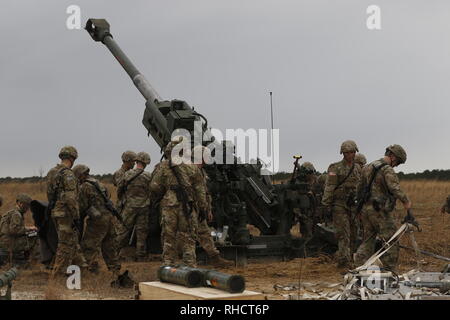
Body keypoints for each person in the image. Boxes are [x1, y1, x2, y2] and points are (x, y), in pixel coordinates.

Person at [150, 139, 209, 267]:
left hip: (168, 205)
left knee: (168, 236)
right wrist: (203, 209)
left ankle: (168, 265)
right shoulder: (192, 167)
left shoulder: (163, 166)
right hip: (188, 206)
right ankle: (189, 267)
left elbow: (154, 187)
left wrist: (164, 194)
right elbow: (200, 191)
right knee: (188, 237)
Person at [354, 144, 411, 272]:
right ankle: (388, 272)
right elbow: (395, 188)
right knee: (391, 241)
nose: (396, 165)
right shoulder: (387, 169)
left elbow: (359, 189)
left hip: (366, 210)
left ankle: (359, 268)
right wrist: (406, 201)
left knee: (368, 240)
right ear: (393, 156)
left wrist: (358, 209)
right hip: (380, 212)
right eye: (398, 162)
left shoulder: (368, 166)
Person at [73, 164, 121, 276]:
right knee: (109, 246)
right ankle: (115, 270)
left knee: (88, 245)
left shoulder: (84, 186)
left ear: (79, 175)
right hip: (109, 218)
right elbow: (108, 197)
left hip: (98, 220)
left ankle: (83, 272)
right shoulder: (99, 183)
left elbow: (82, 206)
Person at [46, 146, 87, 275]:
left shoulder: (51, 172)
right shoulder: (69, 174)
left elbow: (49, 194)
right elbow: (71, 198)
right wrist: (76, 216)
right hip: (66, 213)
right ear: (72, 158)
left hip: (56, 212)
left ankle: (82, 268)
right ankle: (58, 274)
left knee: (72, 241)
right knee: (65, 244)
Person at [322, 140, 362, 268]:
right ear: (343, 153)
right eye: (347, 152)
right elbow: (330, 186)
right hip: (339, 205)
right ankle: (344, 261)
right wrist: (326, 204)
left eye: (352, 152)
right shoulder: (335, 168)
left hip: (353, 205)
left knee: (354, 232)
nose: (350, 155)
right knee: (343, 233)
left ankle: (351, 258)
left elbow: (360, 186)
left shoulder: (357, 168)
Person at [192, 145, 233, 267]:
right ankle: (187, 261)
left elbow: (205, 192)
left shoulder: (201, 171)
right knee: (187, 236)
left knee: (204, 232)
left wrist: (207, 209)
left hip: (199, 209)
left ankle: (215, 258)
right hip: (190, 209)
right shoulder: (191, 170)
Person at [116, 151, 152, 261]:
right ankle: (141, 255)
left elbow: (120, 189)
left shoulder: (127, 174)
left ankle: (113, 253)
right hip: (144, 207)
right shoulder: (148, 176)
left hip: (130, 206)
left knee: (123, 230)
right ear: (146, 163)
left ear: (136, 161)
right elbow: (153, 190)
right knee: (142, 232)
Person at [0, 194, 37, 267]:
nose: (27, 208)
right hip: (9, 243)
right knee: (35, 236)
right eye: (26, 205)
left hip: (5, 241)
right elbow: (14, 230)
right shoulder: (16, 214)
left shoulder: (13, 212)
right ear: (20, 203)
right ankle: (31, 261)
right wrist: (28, 229)